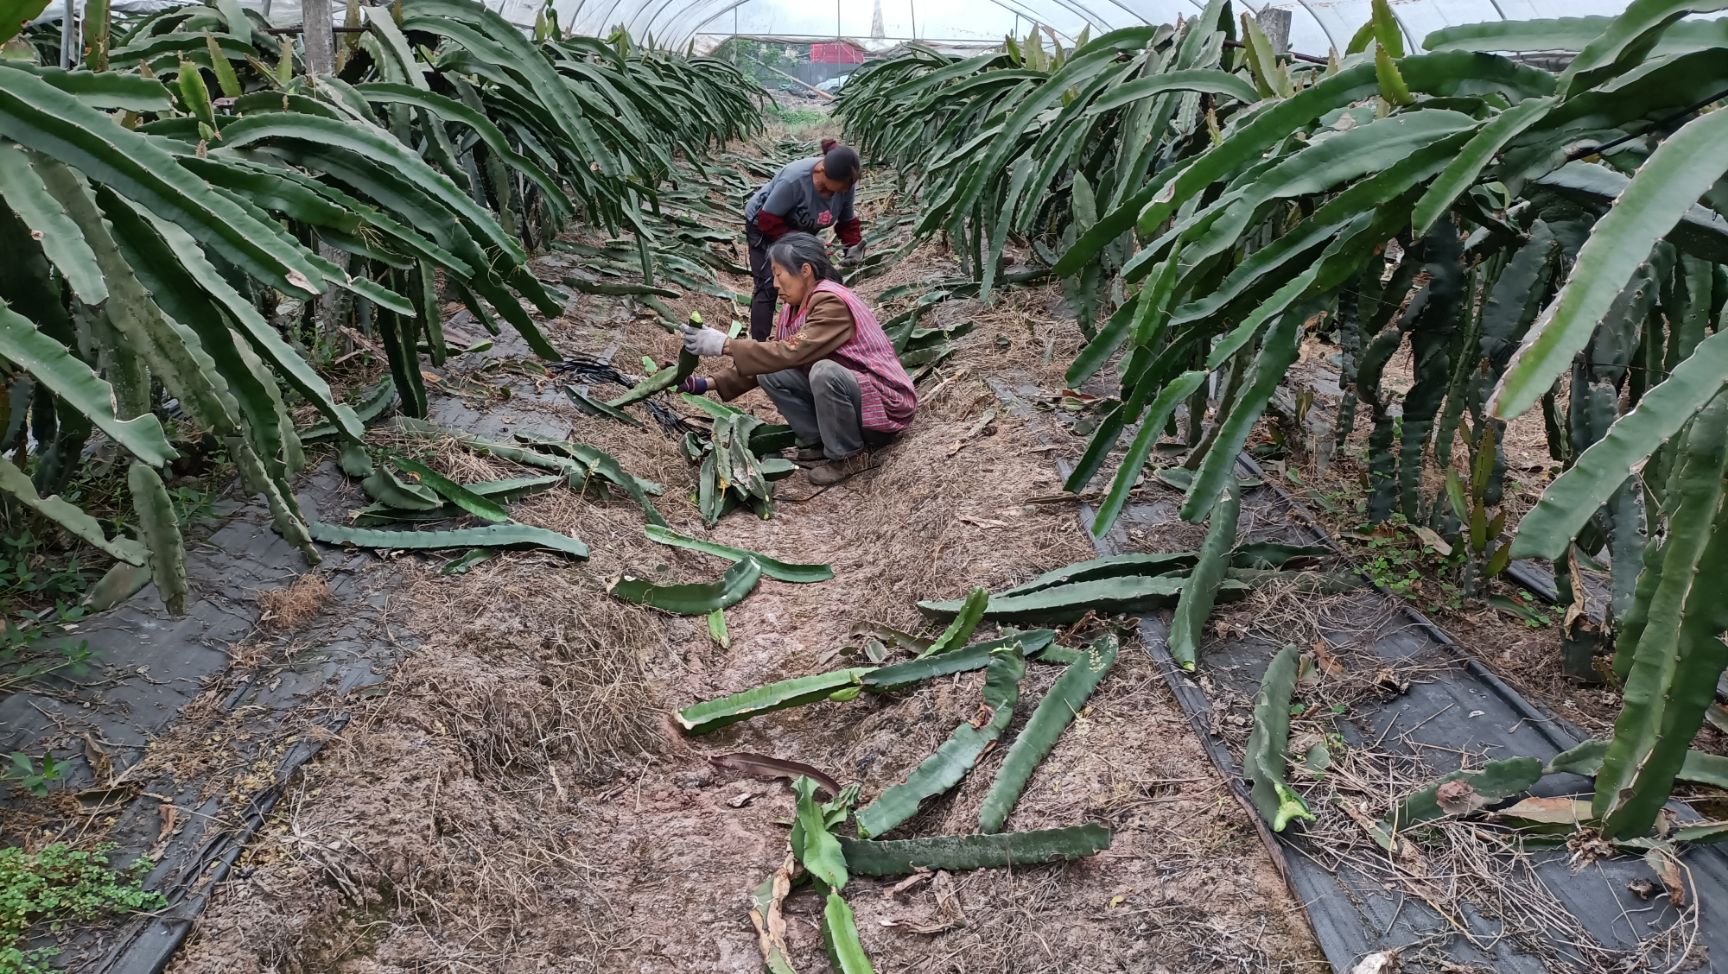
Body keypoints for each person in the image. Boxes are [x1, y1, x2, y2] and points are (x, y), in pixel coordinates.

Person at [680, 233, 913, 487]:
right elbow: (771, 358)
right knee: (772, 371)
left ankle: (848, 456)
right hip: (855, 399)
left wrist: (725, 345)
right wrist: (703, 384)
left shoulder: (831, 302)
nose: (775, 285)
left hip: (881, 406)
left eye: (779, 275)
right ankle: (817, 443)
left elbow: (792, 351)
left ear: (805, 270)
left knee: (824, 371)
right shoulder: (794, 308)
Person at [742, 138, 865, 341]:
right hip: (765, 227)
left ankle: (809, 340)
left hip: (801, 231)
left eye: (840, 191)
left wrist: (852, 246)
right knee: (769, 286)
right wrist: (801, 244)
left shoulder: (844, 185)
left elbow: (846, 221)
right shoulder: (794, 180)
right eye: (828, 189)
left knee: (821, 281)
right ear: (820, 171)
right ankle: (758, 346)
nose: (833, 196)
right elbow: (768, 220)